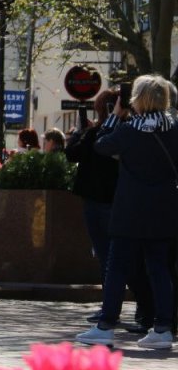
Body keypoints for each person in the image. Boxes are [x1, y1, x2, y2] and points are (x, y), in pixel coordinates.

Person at [77, 75, 178, 350]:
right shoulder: (175, 128)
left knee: (117, 268)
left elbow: (100, 145)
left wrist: (115, 115)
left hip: (130, 211)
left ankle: (106, 325)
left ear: (137, 99)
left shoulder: (130, 130)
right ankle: (163, 328)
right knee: (159, 268)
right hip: (165, 210)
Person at [64, 89, 147, 329]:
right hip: (106, 202)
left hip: (110, 203)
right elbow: (73, 154)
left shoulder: (112, 132)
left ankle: (127, 309)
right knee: (112, 258)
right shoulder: (102, 132)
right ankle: (122, 308)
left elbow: (77, 152)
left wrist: (86, 132)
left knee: (116, 259)